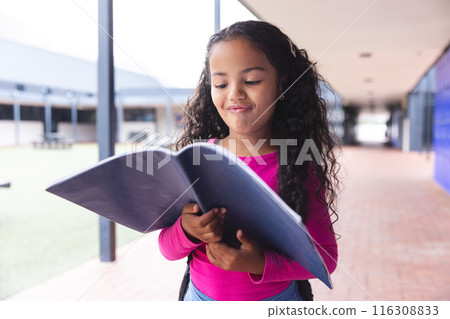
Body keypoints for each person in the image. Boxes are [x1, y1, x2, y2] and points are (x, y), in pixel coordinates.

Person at [158, 20, 340, 301]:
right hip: (198, 298)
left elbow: (325, 259)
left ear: (282, 83)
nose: (234, 94)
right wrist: (187, 231)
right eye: (220, 83)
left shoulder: (299, 162)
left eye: (252, 80)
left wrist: (259, 263)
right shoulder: (195, 158)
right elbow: (168, 249)